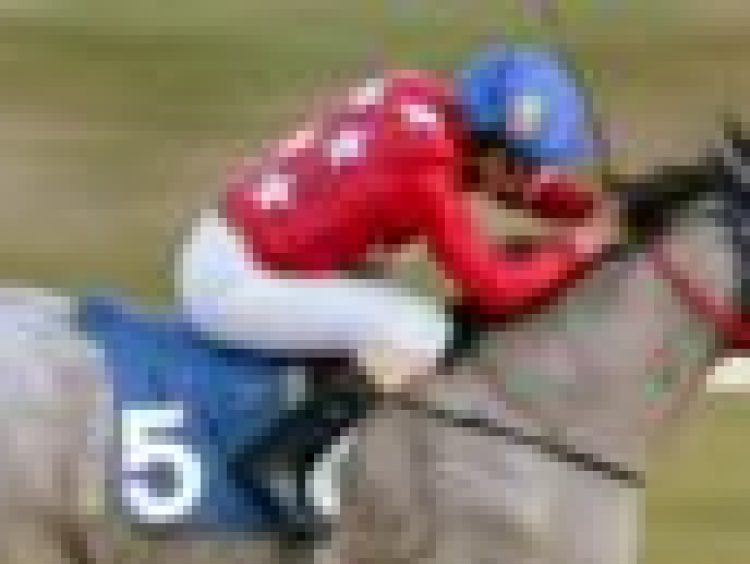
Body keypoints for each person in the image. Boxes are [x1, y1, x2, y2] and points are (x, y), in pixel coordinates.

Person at [176, 43, 617, 536]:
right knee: (423, 331)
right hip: (236, 283)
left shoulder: (418, 92)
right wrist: (577, 249)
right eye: (526, 164)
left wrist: (592, 207)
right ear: (487, 144)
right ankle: (282, 459)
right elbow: (494, 288)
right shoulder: (426, 172)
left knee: (385, 279)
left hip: (236, 243)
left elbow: (517, 189)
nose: (536, 178)